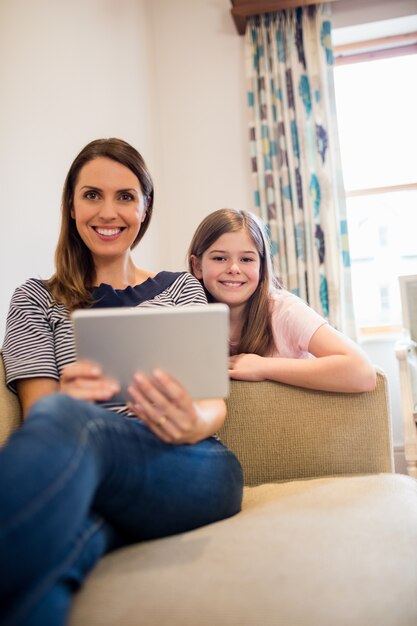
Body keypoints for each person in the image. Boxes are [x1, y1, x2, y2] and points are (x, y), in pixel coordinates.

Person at [0, 139, 243, 626]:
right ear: (71, 205)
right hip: (90, 460)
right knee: (69, 539)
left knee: (72, 427)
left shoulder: (181, 288)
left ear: (144, 207)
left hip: (191, 462)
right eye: (92, 195)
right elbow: (41, 416)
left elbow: (214, 402)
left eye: (126, 196)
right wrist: (70, 400)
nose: (108, 211)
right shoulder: (34, 299)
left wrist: (190, 421)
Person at [188, 208, 376, 393]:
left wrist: (262, 367)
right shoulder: (186, 314)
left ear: (262, 267)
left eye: (246, 259)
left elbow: (362, 372)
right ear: (197, 266)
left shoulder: (284, 310)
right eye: (220, 258)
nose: (234, 268)